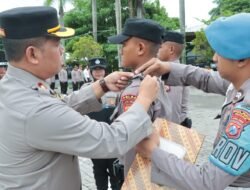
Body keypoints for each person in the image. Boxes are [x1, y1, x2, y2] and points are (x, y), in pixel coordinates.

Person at [0, 6, 159, 190]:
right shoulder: (34, 109)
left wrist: (102, 86)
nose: (61, 51)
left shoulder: (13, 88)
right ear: (32, 54)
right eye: (56, 44)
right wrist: (144, 99)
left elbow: (60, 107)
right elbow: (111, 140)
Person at [135, 13, 250, 190]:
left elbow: (207, 182)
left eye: (219, 52)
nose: (214, 58)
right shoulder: (240, 83)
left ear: (241, 60)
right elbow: (205, 78)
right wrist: (167, 67)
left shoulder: (247, 110)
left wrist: (153, 152)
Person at [108, 18, 173, 177]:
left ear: (140, 48)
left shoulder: (136, 89)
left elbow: (131, 139)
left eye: (124, 45)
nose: (121, 50)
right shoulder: (155, 80)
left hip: (139, 175)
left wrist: (129, 179)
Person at [84, 58, 120, 190]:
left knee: (115, 171)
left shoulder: (116, 89)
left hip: (113, 136)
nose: (98, 73)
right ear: (91, 72)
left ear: (105, 71)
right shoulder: (85, 89)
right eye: (95, 70)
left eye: (101, 69)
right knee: (99, 171)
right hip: (95, 137)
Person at [158, 30, 192, 128]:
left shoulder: (174, 73)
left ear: (171, 49)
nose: (157, 51)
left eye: (160, 47)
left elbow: (171, 112)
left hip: (167, 131)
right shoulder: (179, 71)